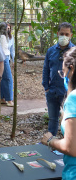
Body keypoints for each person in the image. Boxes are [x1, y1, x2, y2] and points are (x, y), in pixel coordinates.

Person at [41, 46, 76, 180]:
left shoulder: (73, 98)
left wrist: (50, 140)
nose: (63, 76)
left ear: (71, 69)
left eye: (63, 72)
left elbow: (71, 148)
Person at [42, 22, 74, 136]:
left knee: (68, 119)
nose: (64, 36)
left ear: (71, 35)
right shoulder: (51, 51)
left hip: (67, 92)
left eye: (67, 34)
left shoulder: (73, 52)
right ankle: (51, 142)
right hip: (52, 91)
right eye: (62, 33)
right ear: (57, 34)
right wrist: (46, 87)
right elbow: (46, 69)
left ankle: (68, 143)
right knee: (52, 119)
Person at [0, 22, 14, 107]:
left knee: (4, 78)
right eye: (6, 28)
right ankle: (9, 100)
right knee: (8, 79)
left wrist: (12, 59)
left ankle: (2, 98)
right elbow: (3, 50)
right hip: (3, 58)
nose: (8, 30)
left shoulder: (8, 37)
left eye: (9, 28)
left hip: (7, 58)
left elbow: (11, 49)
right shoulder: (2, 37)